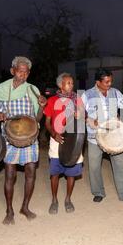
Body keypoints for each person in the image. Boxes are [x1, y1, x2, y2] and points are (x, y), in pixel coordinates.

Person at [0, 56, 47, 225]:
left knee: (30, 173)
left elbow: (37, 118)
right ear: (12, 71)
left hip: (30, 136)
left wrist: (42, 106)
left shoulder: (33, 90)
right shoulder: (2, 88)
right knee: (10, 175)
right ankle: (9, 210)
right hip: (10, 137)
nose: (23, 75)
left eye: (26, 72)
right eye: (20, 71)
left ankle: (25, 207)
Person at [81, 69, 123, 205]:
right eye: (106, 82)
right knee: (94, 167)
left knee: (120, 164)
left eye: (110, 81)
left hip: (113, 136)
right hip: (94, 137)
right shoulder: (87, 95)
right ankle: (98, 192)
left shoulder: (115, 93)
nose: (109, 84)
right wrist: (89, 119)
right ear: (97, 82)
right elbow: (80, 113)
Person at [44, 73, 85, 214]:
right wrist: (54, 134)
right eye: (68, 83)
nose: (71, 85)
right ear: (60, 85)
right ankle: (54, 200)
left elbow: (83, 118)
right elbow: (47, 122)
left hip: (73, 140)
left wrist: (79, 115)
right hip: (57, 138)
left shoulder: (77, 99)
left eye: (72, 83)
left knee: (71, 173)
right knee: (55, 173)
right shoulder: (52, 100)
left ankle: (68, 199)